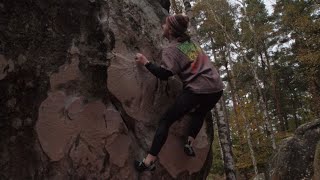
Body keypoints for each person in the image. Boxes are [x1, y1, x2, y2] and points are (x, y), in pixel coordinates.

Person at [134, 14, 224, 172]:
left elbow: (165, 74)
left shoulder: (171, 49)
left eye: (165, 25)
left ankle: (148, 162)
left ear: (170, 30)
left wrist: (145, 62)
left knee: (165, 121)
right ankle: (189, 142)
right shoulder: (189, 45)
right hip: (216, 88)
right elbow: (191, 64)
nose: (162, 26)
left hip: (198, 89)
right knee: (200, 112)